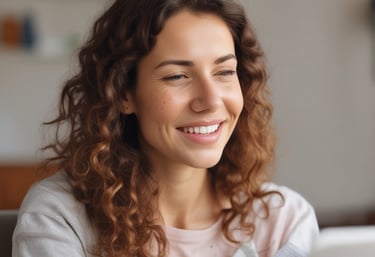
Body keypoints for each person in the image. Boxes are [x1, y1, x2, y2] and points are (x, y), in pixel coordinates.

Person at [12, 0, 319, 256]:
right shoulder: (60, 218)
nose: (211, 101)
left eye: (225, 71)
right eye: (177, 76)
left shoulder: (284, 221)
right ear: (122, 93)